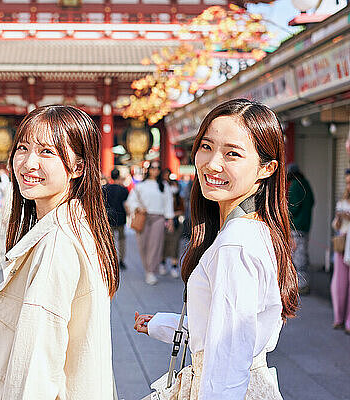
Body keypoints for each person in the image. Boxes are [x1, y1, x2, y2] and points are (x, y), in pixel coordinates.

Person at [134, 99, 298, 399]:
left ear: (267, 167)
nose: (212, 163)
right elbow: (224, 332)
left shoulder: (235, 243)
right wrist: (162, 324)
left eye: (232, 154)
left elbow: (228, 357)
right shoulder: (256, 229)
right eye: (206, 146)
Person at [0, 105, 119, 399]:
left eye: (47, 152)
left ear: (79, 167)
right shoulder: (77, 227)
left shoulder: (56, 244)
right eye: (22, 148)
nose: (28, 163)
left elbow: (35, 371)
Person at [126, 161, 174, 285]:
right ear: (148, 170)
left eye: (158, 168)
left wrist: (170, 219)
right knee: (142, 245)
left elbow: (169, 203)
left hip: (158, 218)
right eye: (152, 168)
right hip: (143, 217)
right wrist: (138, 207)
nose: (155, 170)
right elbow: (131, 200)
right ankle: (148, 269)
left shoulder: (164, 186)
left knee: (155, 245)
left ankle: (151, 271)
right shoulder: (141, 185)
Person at [287, 163, 314, 295]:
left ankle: (302, 285)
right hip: (306, 225)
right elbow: (312, 201)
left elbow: (293, 207)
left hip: (296, 227)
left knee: (298, 256)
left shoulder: (296, 185)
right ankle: (302, 283)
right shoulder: (306, 184)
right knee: (302, 254)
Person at [331, 169, 350, 334]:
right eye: (347, 182)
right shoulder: (342, 200)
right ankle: (339, 318)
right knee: (339, 283)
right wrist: (339, 219)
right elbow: (335, 225)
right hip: (342, 243)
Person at [103, 168, 130, 270]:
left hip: (108, 218)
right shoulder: (123, 190)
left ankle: (110, 260)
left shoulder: (105, 188)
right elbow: (126, 204)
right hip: (121, 218)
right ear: (118, 176)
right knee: (122, 240)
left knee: (110, 240)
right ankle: (121, 260)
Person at [160, 168, 184, 278]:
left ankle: (174, 266)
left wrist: (173, 215)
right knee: (164, 244)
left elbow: (182, 210)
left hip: (176, 223)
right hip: (164, 222)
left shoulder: (179, 199)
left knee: (175, 245)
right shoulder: (162, 192)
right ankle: (163, 263)